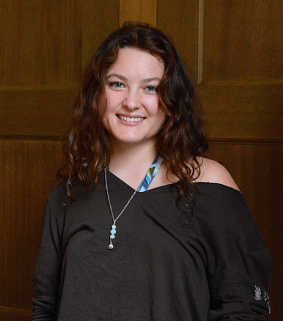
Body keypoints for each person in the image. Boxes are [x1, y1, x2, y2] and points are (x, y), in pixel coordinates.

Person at [32, 22, 272, 320]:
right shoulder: (69, 193)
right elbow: (45, 305)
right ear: (97, 93)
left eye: (150, 88)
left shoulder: (209, 185)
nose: (131, 102)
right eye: (117, 84)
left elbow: (245, 306)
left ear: (172, 99)